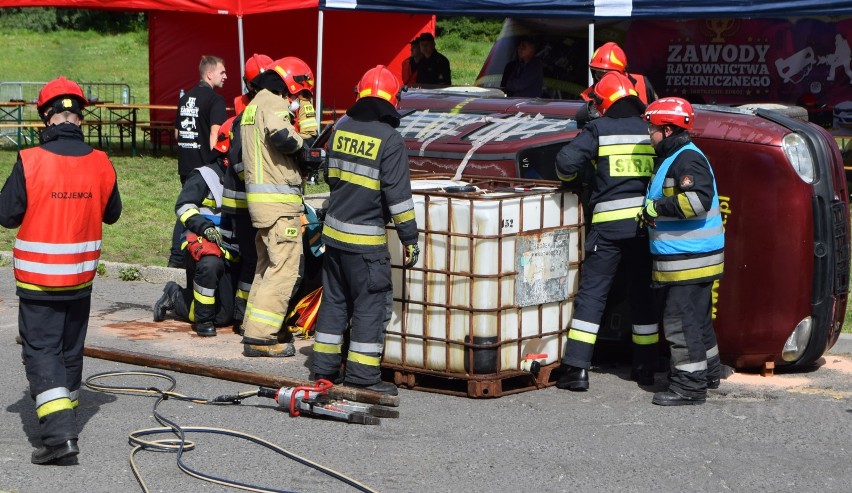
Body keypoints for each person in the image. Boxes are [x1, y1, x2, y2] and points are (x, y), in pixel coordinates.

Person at [0, 76, 122, 464]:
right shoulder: (101, 162)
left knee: (42, 352)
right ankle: (64, 415)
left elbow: (6, 215)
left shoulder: (31, 160)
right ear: (78, 118)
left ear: (47, 117)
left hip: (40, 282)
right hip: (80, 281)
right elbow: (113, 214)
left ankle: (58, 438)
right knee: (69, 351)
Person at [311, 65, 420, 396]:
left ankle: (324, 369)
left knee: (334, 301)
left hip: (334, 238)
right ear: (393, 100)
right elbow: (398, 199)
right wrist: (410, 240)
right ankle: (361, 376)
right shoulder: (390, 140)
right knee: (371, 305)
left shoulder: (341, 128)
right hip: (366, 243)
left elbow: (330, 176)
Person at [553, 72, 659, 392]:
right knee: (643, 296)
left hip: (608, 229)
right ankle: (646, 367)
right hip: (644, 229)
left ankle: (576, 368)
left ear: (605, 102)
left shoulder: (599, 128)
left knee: (593, 295)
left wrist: (575, 181)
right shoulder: (649, 130)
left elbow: (565, 163)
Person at [639, 97, 724, 406]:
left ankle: (689, 386)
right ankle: (708, 372)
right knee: (698, 320)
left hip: (688, 258)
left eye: (652, 128)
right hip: (692, 257)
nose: (649, 134)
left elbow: (697, 202)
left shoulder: (687, 160)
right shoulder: (677, 156)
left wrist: (655, 208)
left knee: (680, 322)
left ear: (668, 129)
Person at [238, 56, 313, 357]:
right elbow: (282, 136)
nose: (296, 101)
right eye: (298, 94)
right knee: (284, 270)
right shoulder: (273, 103)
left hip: (261, 204)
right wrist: (305, 149)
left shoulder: (254, 104)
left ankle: (254, 325)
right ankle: (260, 338)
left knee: (266, 268)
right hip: (280, 204)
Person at [153, 117, 239, 337]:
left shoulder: (244, 177)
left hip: (234, 250)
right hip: (204, 248)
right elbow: (183, 207)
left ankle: (196, 305)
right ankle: (195, 313)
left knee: (225, 316)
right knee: (211, 266)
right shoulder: (204, 176)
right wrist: (205, 227)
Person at [223, 53, 273, 329]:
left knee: (254, 257)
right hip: (244, 201)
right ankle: (242, 312)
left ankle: (242, 310)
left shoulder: (255, 110)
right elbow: (242, 163)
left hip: (251, 198)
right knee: (253, 257)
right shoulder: (247, 117)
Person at [169, 55, 228, 268]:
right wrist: (217, 164)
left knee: (186, 207)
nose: (226, 76)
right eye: (222, 72)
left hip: (185, 164)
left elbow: (177, 134)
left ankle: (179, 256)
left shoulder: (185, 98)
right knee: (195, 212)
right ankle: (180, 257)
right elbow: (215, 135)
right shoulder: (215, 100)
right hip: (204, 168)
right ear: (209, 73)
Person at [577, 42, 657, 126]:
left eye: (609, 75)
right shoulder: (587, 97)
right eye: (599, 75)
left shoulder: (643, 83)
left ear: (623, 73)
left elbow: (658, 113)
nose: (605, 80)